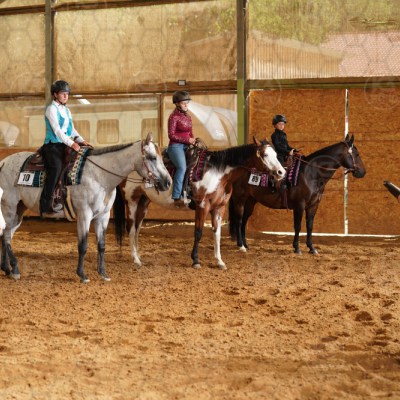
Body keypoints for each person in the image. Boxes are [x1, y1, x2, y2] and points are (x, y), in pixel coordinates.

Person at [40, 80, 91, 215]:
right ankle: (46, 202)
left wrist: (81, 140)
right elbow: (57, 131)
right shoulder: (51, 109)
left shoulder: (67, 110)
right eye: (63, 93)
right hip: (52, 146)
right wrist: (71, 143)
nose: (65, 96)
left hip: (65, 144)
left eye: (67, 94)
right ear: (55, 94)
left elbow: (72, 130)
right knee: (56, 168)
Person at [167, 90, 197, 207]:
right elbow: (171, 135)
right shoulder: (173, 117)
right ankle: (176, 196)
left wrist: (193, 141)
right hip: (176, 146)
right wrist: (187, 140)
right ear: (177, 104)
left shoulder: (188, 117)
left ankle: (190, 192)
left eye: (187, 103)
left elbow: (190, 132)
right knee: (182, 167)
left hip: (187, 145)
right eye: (183, 103)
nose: (186, 105)